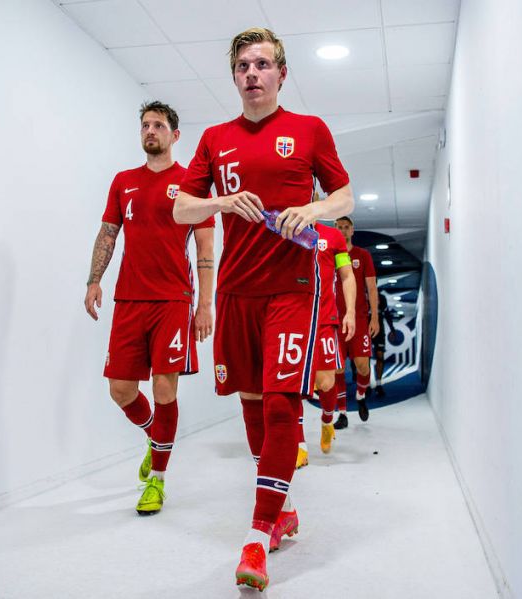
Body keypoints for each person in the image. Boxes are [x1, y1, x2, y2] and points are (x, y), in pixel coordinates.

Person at [173, 27, 353, 592]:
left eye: (263, 64)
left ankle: (256, 535)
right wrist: (221, 201)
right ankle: (284, 506)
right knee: (252, 404)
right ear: (234, 76)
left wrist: (313, 208)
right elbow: (180, 209)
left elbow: (344, 195)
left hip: (293, 287)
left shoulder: (307, 130)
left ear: (281, 73)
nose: (253, 73)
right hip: (236, 291)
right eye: (244, 66)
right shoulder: (214, 138)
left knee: (280, 402)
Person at [84, 101, 215, 516]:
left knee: (163, 389)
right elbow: (108, 233)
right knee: (120, 390)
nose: (150, 130)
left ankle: (156, 480)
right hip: (128, 300)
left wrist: (205, 305)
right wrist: (93, 280)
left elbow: (206, 250)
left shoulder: (192, 186)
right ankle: (154, 434)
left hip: (173, 301)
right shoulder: (123, 181)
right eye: (145, 125)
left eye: (158, 125)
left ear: (175, 135)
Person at [309, 221, 356, 456]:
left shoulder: (333, 237)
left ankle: (327, 421)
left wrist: (351, 311)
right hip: (291, 318)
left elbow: (346, 275)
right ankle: (298, 445)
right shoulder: (282, 230)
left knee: (326, 382)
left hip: (325, 319)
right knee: (291, 385)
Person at [333, 216, 378, 428]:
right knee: (338, 368)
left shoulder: (362, 255)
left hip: (359, 320)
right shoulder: (330, 254)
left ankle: (360, 396)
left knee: (362, 365)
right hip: (334, 322)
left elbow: (371, 288)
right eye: (339, 227)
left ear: (352, 230)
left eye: (346, 227)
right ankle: (342, 413)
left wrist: (374, 317)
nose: (342, 230)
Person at [372, 290, 397, 396]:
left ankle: (379, 384)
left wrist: (392, 329)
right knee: (363, 358)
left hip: (379, 331)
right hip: (365, 330)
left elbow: (387, 314)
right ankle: (364, 385)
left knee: (380, 357)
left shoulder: (381, 298)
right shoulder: (362, 296)